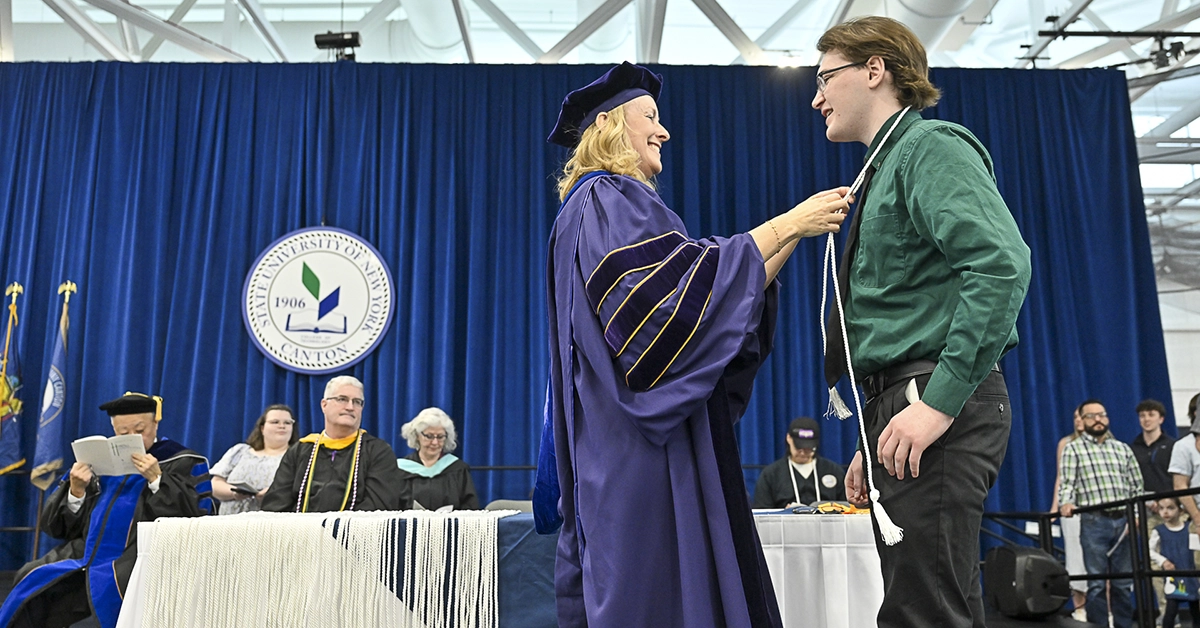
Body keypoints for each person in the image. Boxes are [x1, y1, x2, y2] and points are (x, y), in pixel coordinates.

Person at [534, 62, 850, 628]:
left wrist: (790, 238)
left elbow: (708, 289)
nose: (664, 131)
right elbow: (660, 315)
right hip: (639, 451)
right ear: (609, 125)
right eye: (650, 117)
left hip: (619, 447)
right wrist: (789, 223)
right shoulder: (607, 197)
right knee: (657, 598)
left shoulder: (586, 209)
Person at [814, 16, 1032, 628]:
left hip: (936, 398)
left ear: (876, 70)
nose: (817, 95)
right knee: (929, 604)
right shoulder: (883, 168)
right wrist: (872, 435)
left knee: (923, 611)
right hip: (900, 403)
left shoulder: (929, 148)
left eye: (827, 77)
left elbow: (1001, 266)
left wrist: (935, 405)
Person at [0, 392, 211, 628]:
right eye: (122, 433)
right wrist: (76, 492)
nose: (132, 438)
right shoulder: (99, 462)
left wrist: (156, 481)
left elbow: (197, 520)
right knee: (32, 579)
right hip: (87, 552)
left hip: (141, 556)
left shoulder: (182, 461)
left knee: (116, 588)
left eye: (140, 430)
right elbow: (60, 527)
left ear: (155, 423)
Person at [261, 376, 408, 512]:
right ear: (324, 405)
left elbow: (378, 506)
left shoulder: (377, 451)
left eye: (357, 402)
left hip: (352, 537)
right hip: (301, 537)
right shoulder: (301, 450)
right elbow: (275, 505)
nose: (350, 407)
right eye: (342, 399)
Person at [1059, 399, 1145, 628]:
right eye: (1091, 416)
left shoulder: (1122, 448)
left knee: (1123, 583)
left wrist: (1136, 514)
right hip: (1094, 521)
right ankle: (1098, 626)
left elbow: (1136, 485)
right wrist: (1065, 502)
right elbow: (1067, 482)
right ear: (1082, 421)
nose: (1098, 420)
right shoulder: (1073, 448)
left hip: (1124, 521)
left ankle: (1124, 625)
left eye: (1102, 415)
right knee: (1096, 583)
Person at [210, 404, 298, 515]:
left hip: (273, 524)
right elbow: (215, 484)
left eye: (287, 423)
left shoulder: (297, 457)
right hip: (230, 524)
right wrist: (234, 493)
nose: (282, 426)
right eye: (275, 422)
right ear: (262, 428)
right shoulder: (240, 451)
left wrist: (273, 495)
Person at [753, 416, 846, 508]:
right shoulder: (771, 474)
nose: (802, 453)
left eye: (808, 449)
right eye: (798, 447)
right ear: (788, 438)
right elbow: (762, 511)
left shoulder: (834, 471)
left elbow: (847, 508)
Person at [397, 407, 478, 511]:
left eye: (440, 437)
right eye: (429, 436)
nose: (435, 442)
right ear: (417, 436)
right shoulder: (401, 469)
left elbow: (470, 507)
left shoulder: (457, 469)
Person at [1050, 407, 1088, 617]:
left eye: (1081, 416)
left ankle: (1107, 609)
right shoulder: (1066, 443)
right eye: (1074, 417)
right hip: (1071, 508)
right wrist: (1055, 508)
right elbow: (1061, 478)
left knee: (1102, 561)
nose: (1077, 420)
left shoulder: (1104, 444)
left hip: (1095, 507)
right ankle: (1080, 608)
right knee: (1075, 557)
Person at [1150, 497, 1200, 627]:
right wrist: (1163, 561)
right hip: (1173, 576)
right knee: (1170, 611)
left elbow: (1196, 548)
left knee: (1196, 610)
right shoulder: (1158, 531)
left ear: (1181, 510)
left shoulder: (1189, 529)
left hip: (1190, 574)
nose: (1165, 512)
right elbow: (1149, 550)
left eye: (1170, 508)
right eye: (1161, 508)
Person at [1133, 399, 1176, 498]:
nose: (1146, 419)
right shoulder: (1132, 449)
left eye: (1151, 415)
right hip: (1143, 503)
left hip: (1170, 502)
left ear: (1161, 419)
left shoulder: (1173, 446)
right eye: (1142, 415)